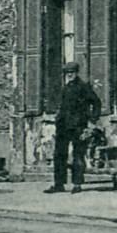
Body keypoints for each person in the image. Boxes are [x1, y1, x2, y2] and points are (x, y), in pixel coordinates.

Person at [45, 62, 103, 194]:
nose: (69, 75)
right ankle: (59, 184)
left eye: (72, 72)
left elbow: (97, 103)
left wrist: (92, 121)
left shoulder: (83, 87)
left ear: (77, 73)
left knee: (78, 155)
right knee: (59, 155)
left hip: (78, 126)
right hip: (63, 126)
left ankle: (77, 184)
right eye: (67, 73)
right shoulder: (66, 88)